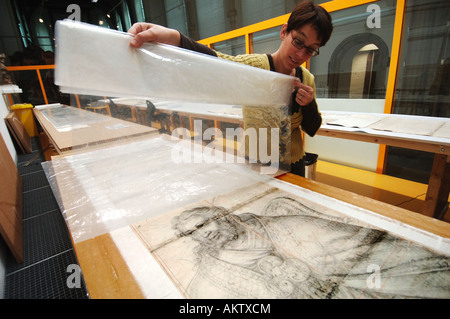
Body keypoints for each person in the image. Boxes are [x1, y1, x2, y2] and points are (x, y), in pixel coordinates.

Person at [128, 1, 333, 176]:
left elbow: (312, 129)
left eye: (311, 50)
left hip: (294, 166)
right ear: (284, 31)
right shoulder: (254, 67)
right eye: (298, 42)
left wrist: (309, 104)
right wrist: (174, 37)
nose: (300, 54)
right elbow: (215, 61)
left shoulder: (307, 79)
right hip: (256, 164)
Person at [170, 197, 450, 299]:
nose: (204, 234)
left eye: (204, 224)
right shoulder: (214, 274)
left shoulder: (281, 222)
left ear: (224, 215)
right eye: (192, 233)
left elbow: (353, 244)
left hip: (356, 277)